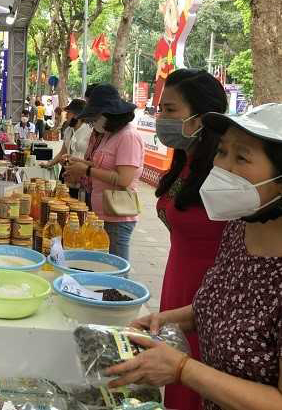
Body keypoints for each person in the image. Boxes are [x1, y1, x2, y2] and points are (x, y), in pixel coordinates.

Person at [106, 103, 282, 410]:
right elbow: (223, 304)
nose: (223, 168)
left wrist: (181, 369)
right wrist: (163, 321)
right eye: (222, 152)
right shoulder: (239, 229)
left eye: (241, 157)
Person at [153, 69, 228, 410]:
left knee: (194, 385)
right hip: (176, 286)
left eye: (170, 110)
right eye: (160, 109)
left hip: (210, 295)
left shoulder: (228, 175)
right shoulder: (184, 162)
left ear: (203, 117)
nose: (161, 118)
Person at [64, 84, 144, 261]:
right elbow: (104, 165)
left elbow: (123, 179)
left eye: (96, 116)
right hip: (102, 213)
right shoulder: (109, 134)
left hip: (117, 215)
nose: (93, 121)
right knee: (103, 265)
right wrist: (81, 163)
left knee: (115, 267)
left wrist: (87, 169)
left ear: (109, 114)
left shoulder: (128, 136)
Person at [44, 99, 92, 198]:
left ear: (77, 115)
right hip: (67, 172)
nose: (66, 116)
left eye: (69, 113)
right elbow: (63, 152)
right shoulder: (68, 131)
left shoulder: (89, 132)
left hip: (81, 175)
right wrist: (50, 163)